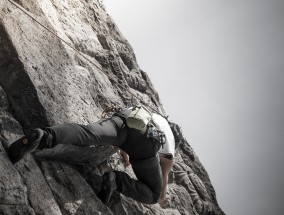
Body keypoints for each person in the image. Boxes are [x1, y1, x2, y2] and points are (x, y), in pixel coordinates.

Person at [8, 107, 175, 206]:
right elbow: (166, 164)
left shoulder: (150, 113)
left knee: (87, 134)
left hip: (124, 119)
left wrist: (124, 150)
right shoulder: (170, 137)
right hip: (146, 142)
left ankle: (44, 136)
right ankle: (116, 181)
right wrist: (163, 191)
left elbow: (133, 128)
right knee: (154, 194)